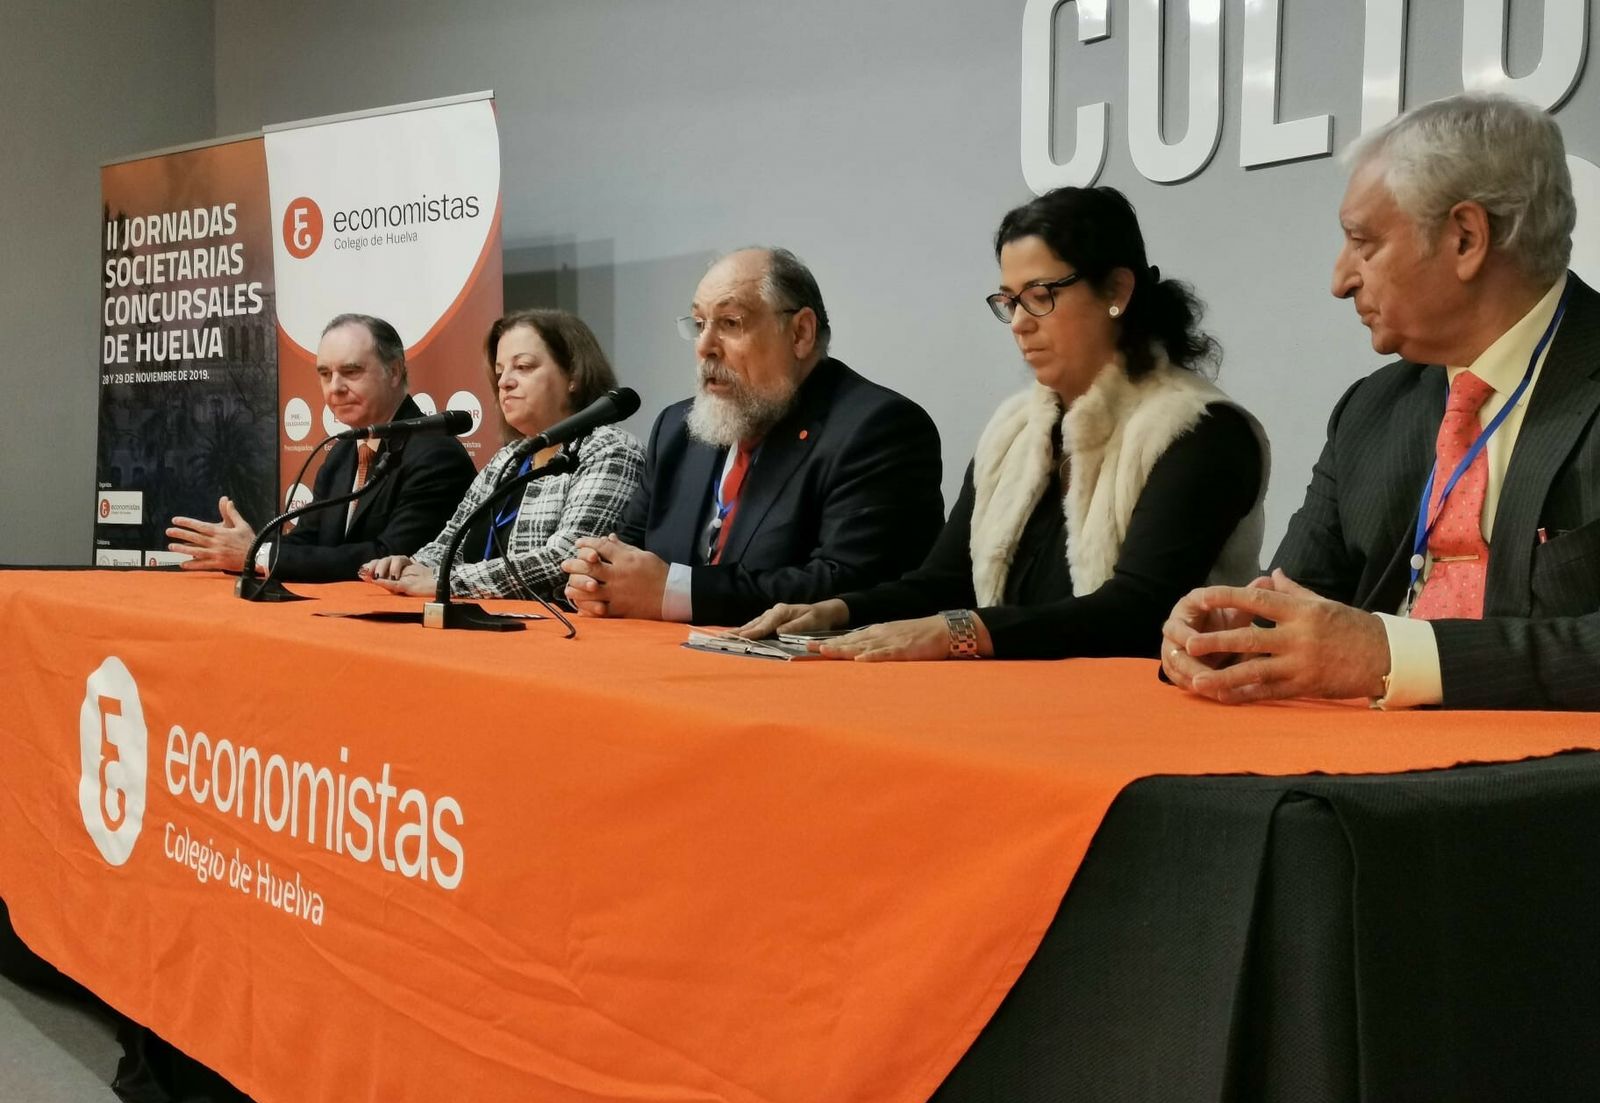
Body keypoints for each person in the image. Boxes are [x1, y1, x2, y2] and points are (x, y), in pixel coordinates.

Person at [1163, 92, 1600, 710]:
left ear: (1466, 238)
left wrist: (1395, 656)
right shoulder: (1369, 410)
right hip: (1356, 768)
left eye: (1363, 243)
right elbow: (1292, 606)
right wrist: (1230, 637)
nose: (1339, 280)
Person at [738, 187, 1267, 661]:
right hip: (1017, 707)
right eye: (1008, 302)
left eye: (1041, 296)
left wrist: (958, 633)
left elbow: (1137, 611)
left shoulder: (1201, 429)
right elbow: (945, 581)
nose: (1018, 323)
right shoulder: (1016, 427)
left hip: (1144, 721)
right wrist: (837, 611)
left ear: (1117, 292)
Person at [559, 247, 944, 627]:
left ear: (800, 333)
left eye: (729, 323)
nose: (704, 347)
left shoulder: (878, 428)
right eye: (698, 324)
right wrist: (596, 578)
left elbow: (850, 583)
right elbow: (626, 554)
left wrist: (676, 593)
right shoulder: (677, 429)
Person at [166, 313, 475, 581]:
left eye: (351, 372)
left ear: (394, 371)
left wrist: (260, 556)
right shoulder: (341, 452)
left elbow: (389, 558)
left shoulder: (436, 455)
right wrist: (246, 551)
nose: (335, 388)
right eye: (325, 374)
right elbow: (309, 540)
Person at [361, 310, 644, 599]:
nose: (504, 382)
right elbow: (451, 541)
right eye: (499, 372)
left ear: (573, 374)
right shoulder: (508, 458)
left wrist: (446, 581)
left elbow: (568, 560)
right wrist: (410, 566)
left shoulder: (610, 450)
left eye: (523, 367)